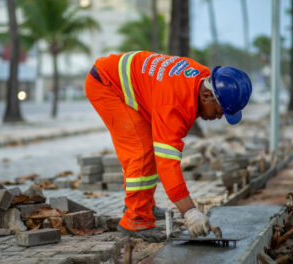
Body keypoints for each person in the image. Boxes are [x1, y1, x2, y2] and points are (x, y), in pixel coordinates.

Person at [85, 51, 252, 242]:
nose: (219, 117)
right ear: (206, 95)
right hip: (106, 85)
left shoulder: (202, 78)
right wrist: (190, 212)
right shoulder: (174, 105)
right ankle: (135, 219)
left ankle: (142, 204)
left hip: (120, 79)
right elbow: (167, 164)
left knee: (150, 146)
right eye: (218, 111)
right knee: (142, 151)